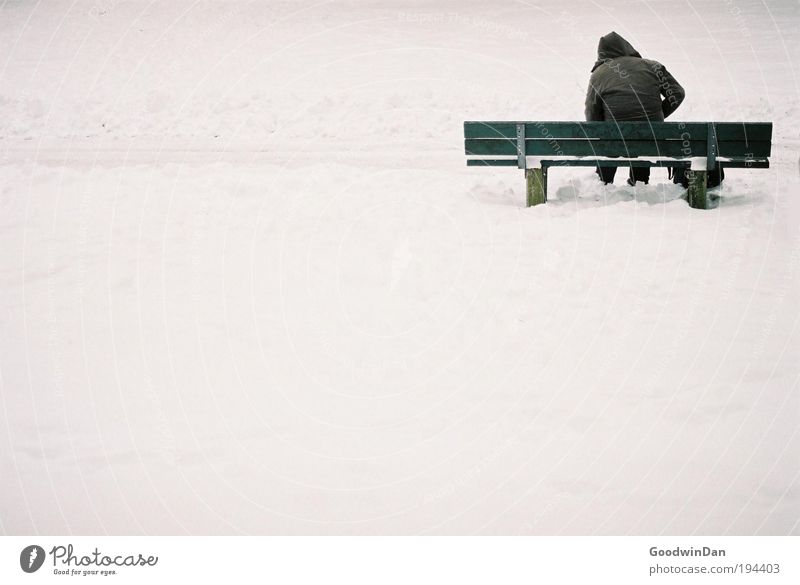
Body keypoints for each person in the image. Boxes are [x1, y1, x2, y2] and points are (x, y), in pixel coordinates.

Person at [584, 32, 685, 185]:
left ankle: (603, 183)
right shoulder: (653, 66)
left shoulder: (599, 74)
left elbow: (591, 111)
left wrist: (602, 130)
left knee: (610, 140)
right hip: (651, 136)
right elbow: (677, 94)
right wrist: (656, 114)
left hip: (614, 138)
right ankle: (639, 182)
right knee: (643, 137)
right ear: (626, 47)